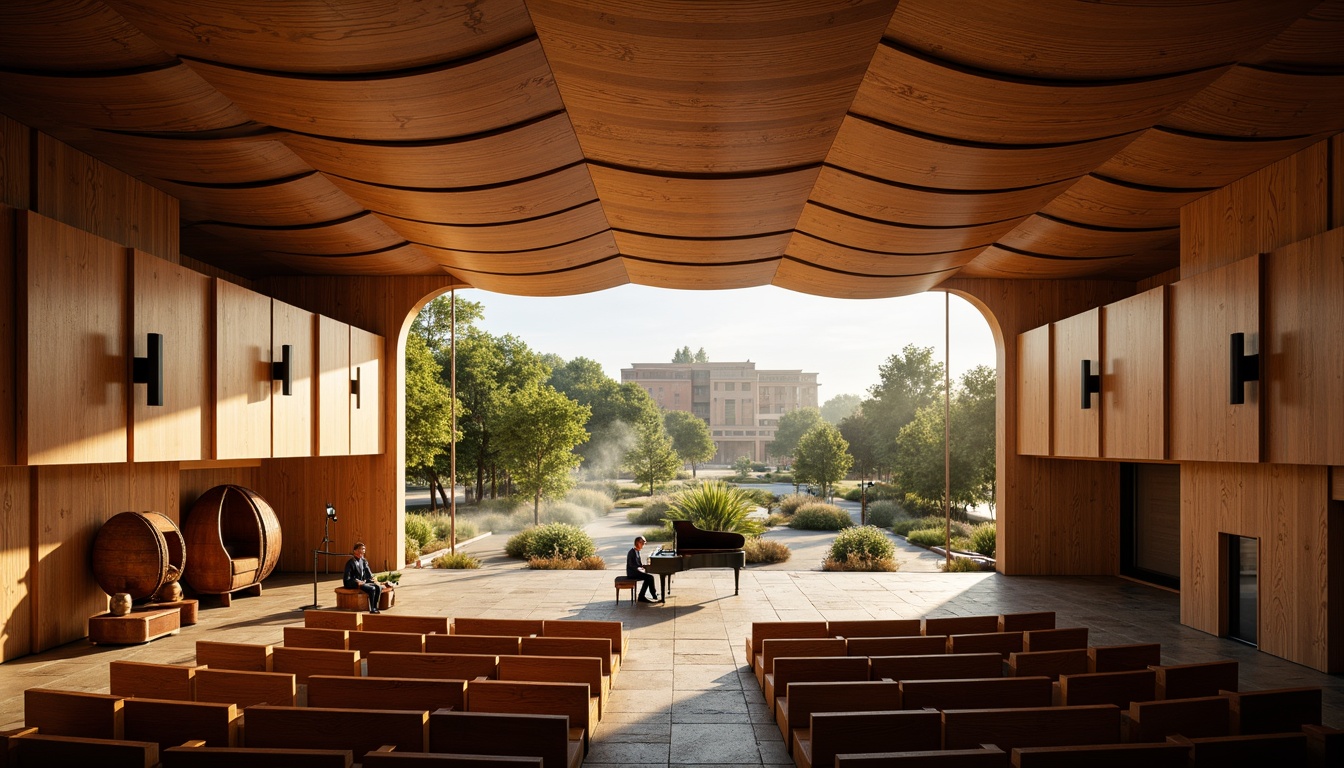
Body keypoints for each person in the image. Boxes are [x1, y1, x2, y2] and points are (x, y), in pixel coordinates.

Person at [343, 541, 382, 613]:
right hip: (354, 583)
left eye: (363, 549)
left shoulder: (363, 561)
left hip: (363, 582)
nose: (363, 551)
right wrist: (357, 582)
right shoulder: (350, 563)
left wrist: (372, 578)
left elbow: (368, 573)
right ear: (355, 551)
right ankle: (372, 609)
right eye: (360, 549)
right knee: (372, 588)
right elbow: (347, 579)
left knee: (378, 587)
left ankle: (375, 607)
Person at [626, 535, 659, 604]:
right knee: (649, 577)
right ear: (638, 543)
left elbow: (639, 564)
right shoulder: (631, 552)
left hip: (636, 571)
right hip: (632, 573)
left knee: (649, 577)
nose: (643, 545)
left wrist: (644, 567)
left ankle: (646, 595)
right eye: (642, 543)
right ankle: (650, 595)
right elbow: (631, 565)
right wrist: (639, 569)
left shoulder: (637, 552)